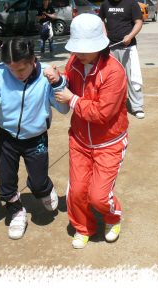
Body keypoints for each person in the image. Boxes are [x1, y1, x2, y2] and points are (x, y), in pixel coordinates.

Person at [43, 13, 129, 249]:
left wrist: (72, 100)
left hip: (109, 142)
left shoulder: (114, 71)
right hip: (80, 140)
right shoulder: (74, 61)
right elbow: (68, 83)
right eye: (77, 47)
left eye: (85, 48)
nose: (79, 53)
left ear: (100, 45)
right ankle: (83, 228)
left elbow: (103, 113)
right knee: (78, 190)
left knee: (99, 196)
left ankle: (112, 218)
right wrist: (57, 78)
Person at [0, 37, 68, 240]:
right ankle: (16, 212)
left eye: (21, 70)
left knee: (39, 182)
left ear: (33, 60)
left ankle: (45, 189)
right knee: (6, 183)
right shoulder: (0, 72)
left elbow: (63, 108)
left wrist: (58, 83)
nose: (16, 75)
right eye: (12, 70)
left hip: (36, 138)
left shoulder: (45, 76)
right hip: (7, 137)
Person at [99, 0, 145, 119]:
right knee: (112, 78)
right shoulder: (105, 4)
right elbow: (101, 20)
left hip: (128, 48)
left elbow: (138, 22)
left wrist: (130, 36)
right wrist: (104, 34)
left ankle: (137, 107)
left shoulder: (131, 4)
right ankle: (115, 105)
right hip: (111, 47)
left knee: (132, 77)